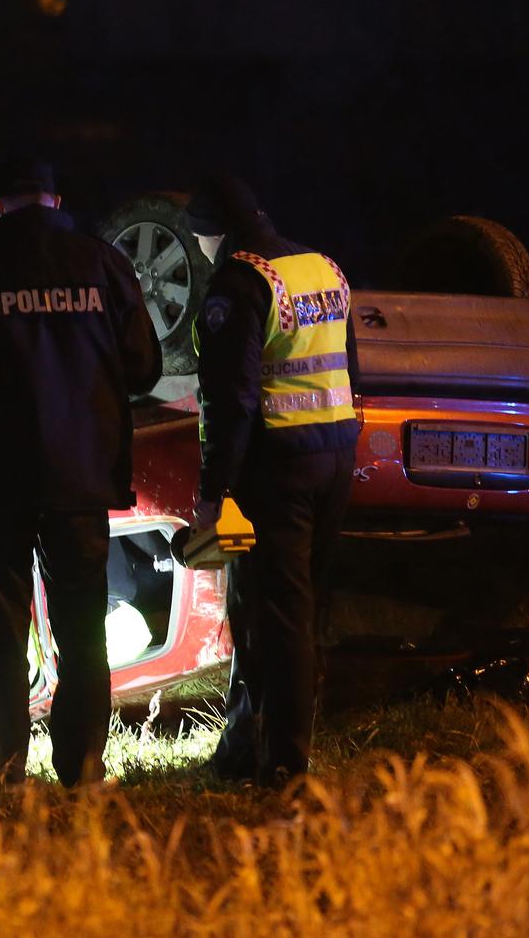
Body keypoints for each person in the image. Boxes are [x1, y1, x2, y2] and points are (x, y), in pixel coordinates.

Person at [0, 158, 162, 787]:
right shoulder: (103, 263)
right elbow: (144, 367)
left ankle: (1, 765)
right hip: (81, 473)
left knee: (1, 624)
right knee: (83, 625)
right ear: (56, 200)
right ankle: (82, 768)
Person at [186, 173, 359, 788]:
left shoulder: (239, 283)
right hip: (335, 456)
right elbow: (349, 364)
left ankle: (284, 766)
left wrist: (213, 493)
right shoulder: (323, 268)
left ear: (213, 232)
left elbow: (230, 401)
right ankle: (243, 747)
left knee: (277, 616)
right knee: (290, 607)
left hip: (279, 469)